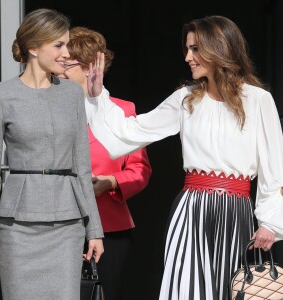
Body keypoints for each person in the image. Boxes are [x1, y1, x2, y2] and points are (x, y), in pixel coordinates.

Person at [87, 16, 283, 299]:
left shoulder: (258, 99)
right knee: (187, 289)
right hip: (191, 210)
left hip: (236, 211)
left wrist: (270, 222)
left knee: (231, 290)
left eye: (195, 49)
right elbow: (131, 131)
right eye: (187, 49)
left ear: (218, 50)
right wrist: (99, 96)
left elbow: (274, 168)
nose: (187, 57)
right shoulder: (185, 99)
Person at [0, 8, 104, 300]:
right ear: (34, 47)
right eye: (59, 45)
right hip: (16, 227)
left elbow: (82, 166)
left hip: (66, 225)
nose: (66, 53)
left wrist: (94, 229)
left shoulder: (73, 95)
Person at [58, 26, 152, 300]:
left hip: (110, 226)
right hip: (59, 224)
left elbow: (140, 170)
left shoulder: (124, 111)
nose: (59, 71)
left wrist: (110, 182)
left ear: (90, 67)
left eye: (67, 65)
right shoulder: (51, 110)